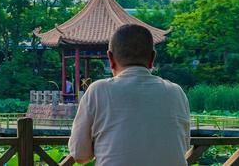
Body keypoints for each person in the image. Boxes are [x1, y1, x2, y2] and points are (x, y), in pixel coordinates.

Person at [68, 24, 190, 166]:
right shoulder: (176, 92)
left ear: (110, 58)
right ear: (152, 58)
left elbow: (80, 155)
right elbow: (184, 147)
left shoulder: (98, 91)